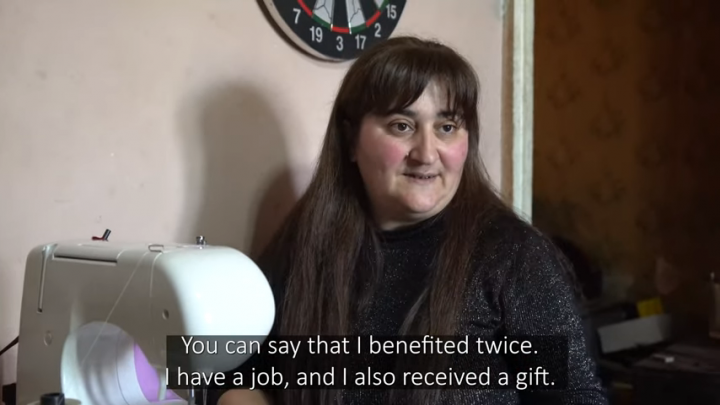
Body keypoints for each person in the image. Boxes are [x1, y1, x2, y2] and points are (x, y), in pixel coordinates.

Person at [214, 36, 608, 405]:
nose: (426, 153)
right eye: (402, 126)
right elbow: (234, 371)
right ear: (351, 140)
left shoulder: (514, 256)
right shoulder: (307, 239)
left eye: (447, 127)